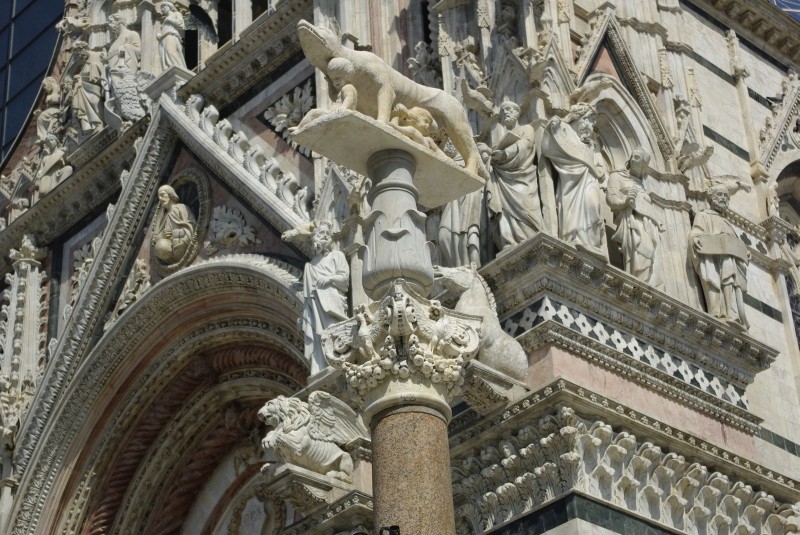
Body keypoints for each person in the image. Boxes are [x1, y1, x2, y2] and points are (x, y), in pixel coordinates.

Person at [539, 102, 608, 260]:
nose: (592, 125)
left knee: (594, 206)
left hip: (590, 181)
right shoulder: (565, 131)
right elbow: (549, 148)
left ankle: (592, 243)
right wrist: (552, 127)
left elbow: (598, 167)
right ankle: (576, 236)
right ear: (581, 118)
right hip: (572, 184)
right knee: (580, 208)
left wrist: (599, 171)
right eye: (590, 120)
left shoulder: (589, 144)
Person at [283, 221, 349, 374]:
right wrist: (305, 315)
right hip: (316, 306)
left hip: (332, 304)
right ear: (314, 238)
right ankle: (321, 368)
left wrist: (329, 279)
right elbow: (308, 296)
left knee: (333, 332)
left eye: (327, 234)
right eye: (321, 234)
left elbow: (344, 279)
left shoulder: (336, 255)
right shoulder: (311, 265)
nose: (325, 236)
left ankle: (338, 361)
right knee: (318, 336)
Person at [484, 101, 543, 252]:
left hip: (523, 176)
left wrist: (504, 154)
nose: (506, 113)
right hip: (503, 180)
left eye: (509, 110)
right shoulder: (501, 141)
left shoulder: (527, 128)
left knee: (526, 207)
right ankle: (509, 241)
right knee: (504, 210)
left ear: (517, 113)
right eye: (503, 111)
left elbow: (526, 145)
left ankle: (531, 236)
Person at [689, 185, 750, 329]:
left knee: (729, 273)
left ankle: (729, 312)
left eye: (726, 196)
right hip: (713, 260)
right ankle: (719, 312)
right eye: (720, 195)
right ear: (712, 198)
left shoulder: (727, 222)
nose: (723, 198)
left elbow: (734, 242)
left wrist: (745, 252)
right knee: (721, 277)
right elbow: (696, 231)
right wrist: (695, 238)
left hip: (728, 260)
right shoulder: (704, 215)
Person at [607, 147, 664, 288]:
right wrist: (625, 202)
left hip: (647, 225)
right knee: (642, 247)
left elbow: (646, 208)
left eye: (637, 157)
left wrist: (657, 220)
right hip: (630, 221)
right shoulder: (617, 176)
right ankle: (637, 280)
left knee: (650, 249)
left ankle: (645, 283)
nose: (633, 159)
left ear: (644, 164)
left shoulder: (641, 185)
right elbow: (611, 198)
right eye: (632, 156)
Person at [291, 57, 357, 131]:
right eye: (333, 80)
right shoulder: (340, 90)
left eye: (338, 79)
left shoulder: (348, 87)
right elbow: (333, 97)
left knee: (315, 116)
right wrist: (329, 83)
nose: (335, 82)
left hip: (338, 111)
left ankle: (300, 128)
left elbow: (349, 98)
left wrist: (343, 108)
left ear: (347, 77)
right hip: (332, 111)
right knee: (312, 112)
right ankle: (300, 127)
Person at [151, 185, 196, 263]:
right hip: (170, 253)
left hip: (182, 246)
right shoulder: (165, 217)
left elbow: (191, 226)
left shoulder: (180, 208)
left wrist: (175, 234)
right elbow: (156, 239)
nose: (160, 199)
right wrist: (162, 235)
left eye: (162, 195)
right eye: (159, 197)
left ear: (170, 194)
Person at [70, 42, 105, 134]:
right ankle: (95, 124)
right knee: (87, 100)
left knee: (95, 102)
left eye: (79, 54)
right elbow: (86, 74)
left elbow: (104, 69)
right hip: (87, 89)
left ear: (83, 49)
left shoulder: (98, 55)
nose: (80, 57)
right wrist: (78, 78)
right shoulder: (86, 63)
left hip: (97, 87)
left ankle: (100, 122)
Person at [158, 1, 187, 70]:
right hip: (164, 37)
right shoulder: (165, 19)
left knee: (170, 51)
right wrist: (160, 35)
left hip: (171, 35)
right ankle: (171, 67)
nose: (162, 9)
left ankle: (180, 67)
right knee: (165, 55)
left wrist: (169, 20)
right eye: (161, 8)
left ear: (169, 6)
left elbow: (181, 25)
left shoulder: (176, 14)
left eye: (163, 7)